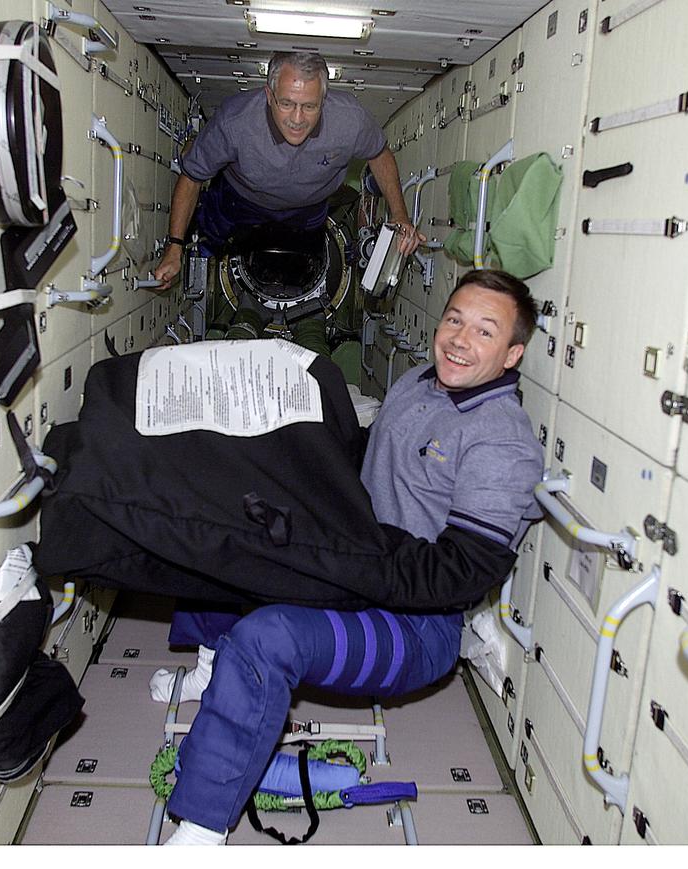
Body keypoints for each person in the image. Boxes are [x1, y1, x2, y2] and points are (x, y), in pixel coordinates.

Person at [158, 270, 544, 844]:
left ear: (511, 355)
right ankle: (214, 668)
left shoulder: (501, 441)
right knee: (231, 528)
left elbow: (463, 573)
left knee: (270, 638)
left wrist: (346, 563)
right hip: (358, 563)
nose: (460, 339)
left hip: (415, 626)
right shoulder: (423, 382)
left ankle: (200, 831)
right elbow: (369, 458)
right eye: (455, 320)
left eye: (485, 332)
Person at [153, 51, 424, 289]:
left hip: (309, 209)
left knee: (305, 250)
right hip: (241, 200)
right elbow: (192, 177)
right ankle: (201, 248)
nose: (297, 119)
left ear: (324, 99)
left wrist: (400, 216)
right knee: (211, 230)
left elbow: (379, 153)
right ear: (269, 95)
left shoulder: (349, 119)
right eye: (287, 104)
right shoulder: (235, 122)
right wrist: (174, 246)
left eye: (309, 106)